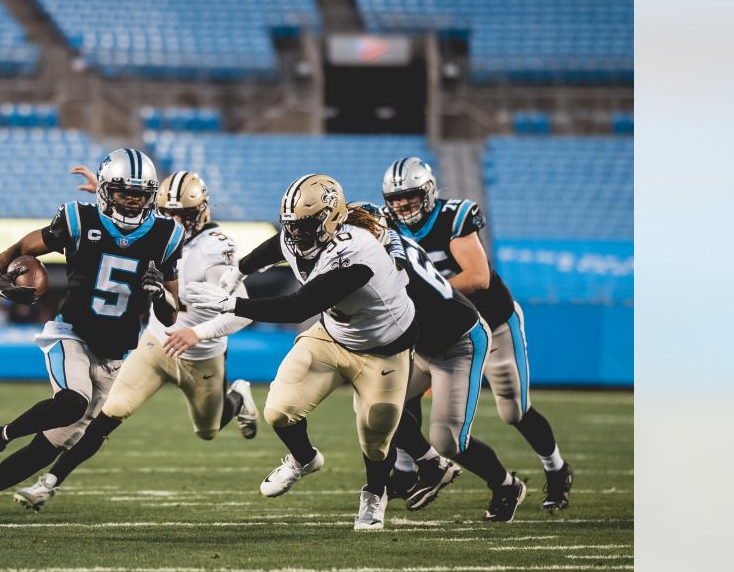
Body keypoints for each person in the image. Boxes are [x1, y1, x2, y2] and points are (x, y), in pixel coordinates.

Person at [0, 148, 184, 540]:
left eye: (140, 194)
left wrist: (160, 295)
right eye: (124, 192)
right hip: (72, 333)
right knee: (72, 399)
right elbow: (20, 248)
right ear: (107, 190)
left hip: (117, 353)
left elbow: (174, 312)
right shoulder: (80, 219)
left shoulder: (165, 235)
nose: (132, 200)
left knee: (47, 449)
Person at [12, 169, 258, 512]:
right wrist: (104, 194)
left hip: (201, 353)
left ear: (201, 211)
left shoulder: (216, 250)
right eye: (168, 213)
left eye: (183, 216)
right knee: (110, 412)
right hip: (157, 343)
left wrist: (196, 332)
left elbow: (243, 312)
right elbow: (123, 219)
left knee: (208, 429)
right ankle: (48, 483)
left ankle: (238, 395)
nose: (175, 222)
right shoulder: (156, 231)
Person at [189, 174, 417, 531]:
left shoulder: (356, 251)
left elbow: (299, 307)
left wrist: (232, 304)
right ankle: (303, 458)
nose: (296, 233)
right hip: (332, 335)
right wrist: (240, 269)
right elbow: (277, 245)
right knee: (279, 411)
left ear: (332, 218)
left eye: (305, 225)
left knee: (376, 436)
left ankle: (375, 494)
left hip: (383, 351)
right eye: (292, 225)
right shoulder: (301, 235)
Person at [381, 157, 573, 511]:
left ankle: (557, 469)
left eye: (409, 196)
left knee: (514, 410)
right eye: (395, 198)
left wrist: (422, 294)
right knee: (392, 397)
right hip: (439, 333)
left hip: (491, 323)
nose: (401, 205)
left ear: (428, 191)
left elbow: (478, 277)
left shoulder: (453, 217)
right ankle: (407, 469)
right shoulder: (386, 225)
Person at [352, 202, 527, 522]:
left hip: (458, 342)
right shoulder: (389, 247)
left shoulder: (389, 266)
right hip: (424, 342)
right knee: (377, 406)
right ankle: (431, 465)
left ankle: (506, 485)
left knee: (449, 440)